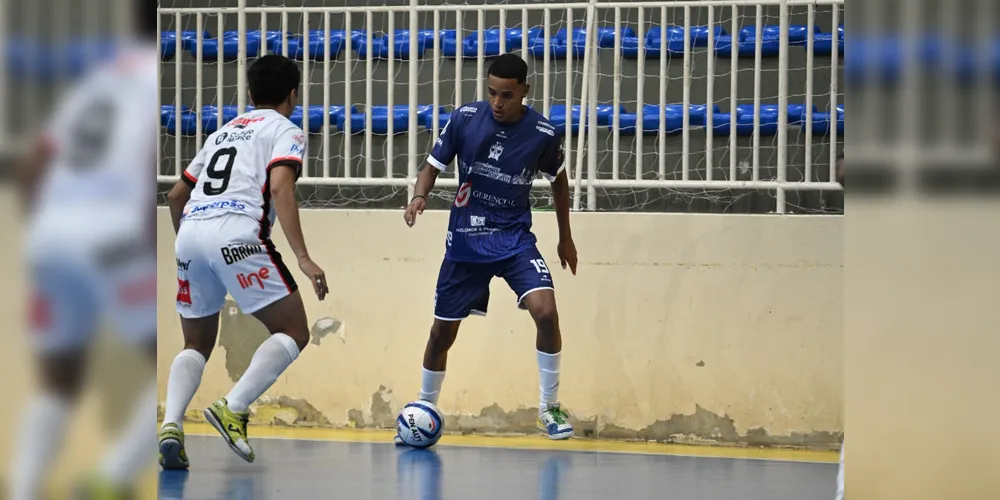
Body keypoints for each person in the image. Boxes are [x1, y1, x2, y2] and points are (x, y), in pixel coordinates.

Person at [7, 2, 158, 498]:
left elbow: (38, 159)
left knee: (57, 377)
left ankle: (24, 488)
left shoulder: (98, 79)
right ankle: (111, 479)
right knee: (168, 357)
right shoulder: (152, 80)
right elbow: (145, 166)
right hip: (111, 235)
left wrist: (44, 229)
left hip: (52, 236)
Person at [159, 54, 329, 468]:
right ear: (293, 95)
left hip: (191, 234)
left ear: (249, 94)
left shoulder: (221, 132)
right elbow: (281, 186)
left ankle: (171, 424)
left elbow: (176, 196)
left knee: (196, 343)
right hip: (237, 231)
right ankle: (233, 407)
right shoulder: (286, 130)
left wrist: (194, 249)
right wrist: (304, 258)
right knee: (293, 330)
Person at [402, 53, 578, 441]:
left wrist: (566, 237)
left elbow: (559, 183)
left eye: (508, 95)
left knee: (546, 312)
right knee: (440, 335)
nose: (498, 102)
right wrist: (419, 196)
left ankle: (548, 408)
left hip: (514, 238)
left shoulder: (544, 134)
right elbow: (433, 164)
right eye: (492, 93)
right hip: (466, 241)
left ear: (524, 92)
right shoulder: (465, 118)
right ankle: (422, 409)